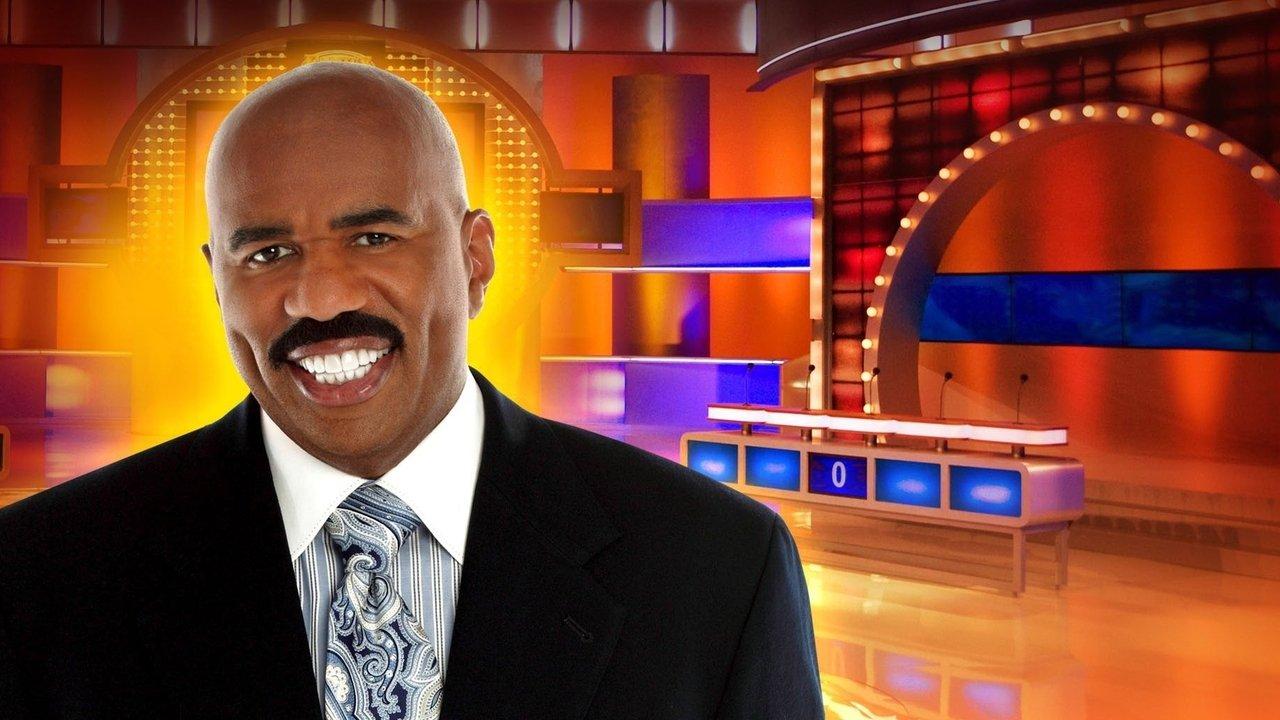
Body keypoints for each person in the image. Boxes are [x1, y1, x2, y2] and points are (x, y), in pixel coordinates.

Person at [0, 61, 823, 719]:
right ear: (218, 283)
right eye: (268, 255)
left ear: (476, 258)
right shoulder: (39, 579)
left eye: (372, 237)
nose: (320, 299)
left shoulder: (716, 569)